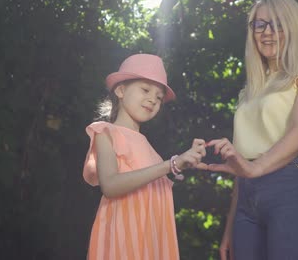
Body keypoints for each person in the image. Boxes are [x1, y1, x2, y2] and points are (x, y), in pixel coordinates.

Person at [202, 0, 298, 260]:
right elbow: (244, 163)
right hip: (248, 194)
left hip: (291, 181)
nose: (267, 32)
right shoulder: (250, 92)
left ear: (294, 27)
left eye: (277, 24)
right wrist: (230, 227)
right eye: (259, 24)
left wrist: (255, 168)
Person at [82, 53, 206, 260]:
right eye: (145, 90)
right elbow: (110, 186)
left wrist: (183, 163)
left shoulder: (153, 153)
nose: (152, 99)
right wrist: (172, 164)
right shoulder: (106, 133)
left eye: (159, 97)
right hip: (122, 243)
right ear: (121, 90)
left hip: (150, 246)